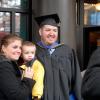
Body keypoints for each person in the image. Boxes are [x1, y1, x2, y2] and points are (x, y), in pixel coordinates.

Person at [35, 14, 83, 100]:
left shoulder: (67, 51)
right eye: (48, 30)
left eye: (55, 30)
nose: (52, 33)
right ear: (40, 32)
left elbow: (76, 78)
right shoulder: (33, 52)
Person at [0, 34, 34, 100]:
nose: (19, 51)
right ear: (3, 48)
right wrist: (28, 78)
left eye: (20, 48)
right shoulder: (4, 66)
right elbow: (17, 96)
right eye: (15, 47)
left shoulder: (10, 63)